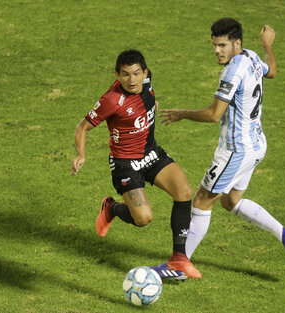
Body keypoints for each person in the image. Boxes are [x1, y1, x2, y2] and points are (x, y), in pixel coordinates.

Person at [152, 18, 285, 280]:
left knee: (201, 200)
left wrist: (183, 113)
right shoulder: (253, 56)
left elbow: (214, 114)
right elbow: (273, 70)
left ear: (237, 43)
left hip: (236, 150)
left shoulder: (233, 71)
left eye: (222, 45)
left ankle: (179, 266)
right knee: (230, 201)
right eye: (214, 45)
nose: (217, 51)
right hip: (257, 144)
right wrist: (268, 45)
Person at [71, 49, 201, 279]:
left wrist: (152, 104)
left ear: (145, 72)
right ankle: (111, 208)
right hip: (126, 164)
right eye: (125, 75)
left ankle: (179, 259)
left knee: (184, 192)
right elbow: (83, 126)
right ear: (117, 75)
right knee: (143, 219)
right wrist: (81, 155)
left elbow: (148, 96)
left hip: (151, 154)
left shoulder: (147, 82)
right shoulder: (111, 100)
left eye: (136, 73)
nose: (131, 80)